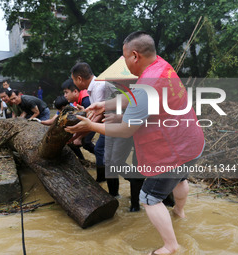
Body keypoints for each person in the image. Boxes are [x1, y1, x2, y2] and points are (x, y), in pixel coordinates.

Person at [65, 31, 205, 255]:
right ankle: (180, 212)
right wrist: (105, 105)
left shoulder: (147, 82)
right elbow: (135, 96)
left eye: (125, 57)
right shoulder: (162, 66)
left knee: (149, 198)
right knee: (180, 179)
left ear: (135, 56)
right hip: (193, 143)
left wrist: (89, 127)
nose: (125, 64)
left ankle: (171, 247)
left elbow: (125, 129)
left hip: (173, 152)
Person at [71, 62, 113, 182]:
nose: (73, 83)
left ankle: (102, 180)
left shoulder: (98, 87)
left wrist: (76, 135)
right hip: (110, 122)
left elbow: (97, 117)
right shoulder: (93, 87)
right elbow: (95, 113)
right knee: (104, 152)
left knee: (102, 151)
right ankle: (103, 180)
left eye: (73, 79)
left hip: (116, 123)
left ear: (79, 78)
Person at [62, 78, 95, 155]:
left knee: (85, 142)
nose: (65, 95)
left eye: (66, 92)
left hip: (103, 121)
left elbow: (93, 120)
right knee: (74, 141)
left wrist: (78, 137)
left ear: (75, 92)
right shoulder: (76, 101)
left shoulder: (86, 100)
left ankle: (103, 160)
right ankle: (82, 161)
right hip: (93, 120)